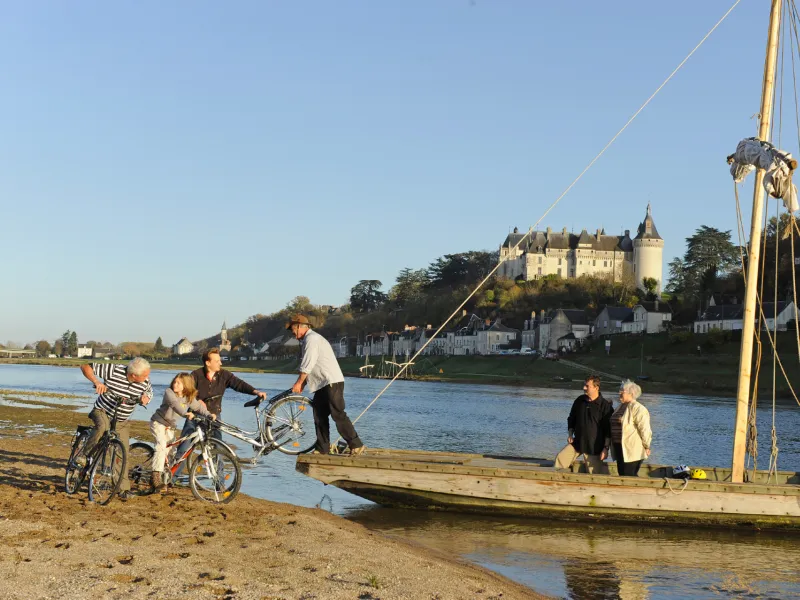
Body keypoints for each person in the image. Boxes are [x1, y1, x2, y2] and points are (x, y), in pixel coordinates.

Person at [173, 347, 266, 476]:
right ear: (208, 362)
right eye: (217, 361)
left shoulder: (224, 375)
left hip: (214, 416)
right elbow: (186, 392)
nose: (220, 363)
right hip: (195, 416)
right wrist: (197, 400)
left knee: (218, 448)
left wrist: (256, 392)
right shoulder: (195, 375)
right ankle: (171, 478)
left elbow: (239, 384)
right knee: (184, 447)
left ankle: (219, 482)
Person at [287, 314, 365, 455]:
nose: (292, 333)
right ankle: (322, 448)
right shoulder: (307, 340)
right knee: (319, 416)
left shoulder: (312, 339)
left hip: (331, 382)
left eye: (292, 329)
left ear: (299, 326)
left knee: (337, 414)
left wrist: (299, 382)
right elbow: (310, 365)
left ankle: (356, 444)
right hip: (322, 384)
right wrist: (303, 383)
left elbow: (307, 364)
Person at [78, 357, 153, 498]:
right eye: (145, 375)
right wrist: (97, 382)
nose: (147, 378)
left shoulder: (145, 382)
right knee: (103, 427)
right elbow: (85, 366)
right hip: (102, 411)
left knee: (121, 451)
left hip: (122, 420)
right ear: (133, 375)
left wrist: (146, 398)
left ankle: (122, 489)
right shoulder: (114, 370)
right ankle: (85, 455)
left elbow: (149, 392)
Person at [150, 373, 215, 491]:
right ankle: (156, 478)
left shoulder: (188, 398)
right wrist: (185, 414)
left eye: (178, 383)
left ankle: (165, 477)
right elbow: (175, 405)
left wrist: (209, 415)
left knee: (170, 453)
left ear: (185, 385)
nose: (175, 384)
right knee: (161, 446)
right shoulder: (169, 392)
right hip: (158, 423)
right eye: (174, 381)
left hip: (170, 427)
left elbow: (199, 407)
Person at [554, 375, 613, 474]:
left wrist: (606, 448)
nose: (584, 388)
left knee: (594, 475)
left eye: (587, 386)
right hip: (577, 443)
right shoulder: (579, 400)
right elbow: (571, 418)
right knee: (560, 459)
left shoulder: (605, 407)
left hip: (594, 447)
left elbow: (608, 430)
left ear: (596, 388)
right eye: (584, 385)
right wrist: (570, 434)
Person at [610, 379, 652, 477]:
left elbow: (645, 429)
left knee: (628, 476)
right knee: (622, 474)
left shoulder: (639, 408)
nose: (619, 393)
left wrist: (647, 446)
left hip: (632, 449)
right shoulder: (620, 407)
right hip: (619, 448)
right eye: (619, 390)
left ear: (631, 393)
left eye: (622, 391)